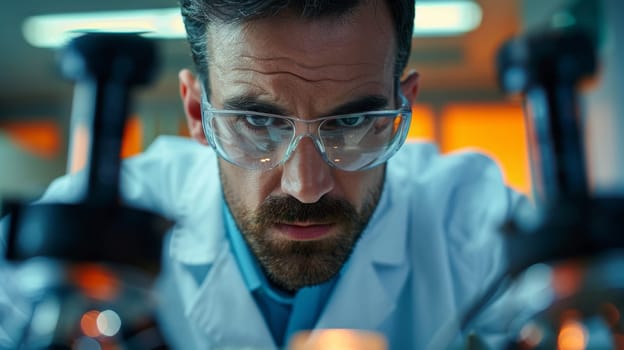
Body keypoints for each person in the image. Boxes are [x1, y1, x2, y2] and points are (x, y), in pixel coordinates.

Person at [1, 0, 526, 349]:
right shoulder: (89, 237)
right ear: (195, 114)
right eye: (257, 121)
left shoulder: (467, 218)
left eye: (351, 121)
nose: (305, 184)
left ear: (403, 105)